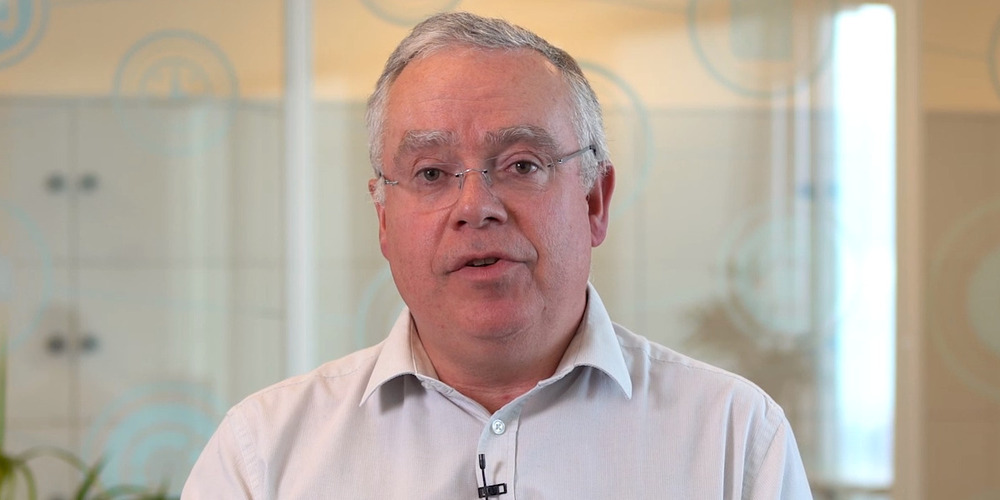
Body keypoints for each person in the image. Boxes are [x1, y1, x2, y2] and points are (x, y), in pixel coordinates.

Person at [183, 11, 812, 499]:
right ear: (384, 220)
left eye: (522, 165)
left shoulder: (735, 440)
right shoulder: (263, 456)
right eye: (431, 173)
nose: (475, 206)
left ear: (594, 200)